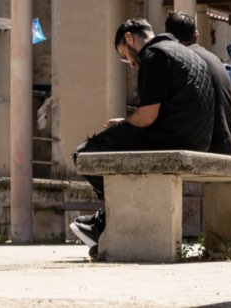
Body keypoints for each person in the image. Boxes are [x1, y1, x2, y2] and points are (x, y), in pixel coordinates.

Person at [68, 17, 214, 254]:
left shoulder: (153, 55)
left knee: (84, 154)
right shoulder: (184, 52)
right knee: (118, 144)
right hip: (198, 140)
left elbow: (147, 117)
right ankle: (104, 223)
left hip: (172, 138)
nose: (130, 63)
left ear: (129, 38)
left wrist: (123, 124)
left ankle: (113, 222)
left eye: (124, 55)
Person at [165, 12, 231, 155]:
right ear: (196, 36)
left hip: (206, 146)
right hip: (225, 143)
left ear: (169, 38)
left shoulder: (180, 59)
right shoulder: (214, 59)